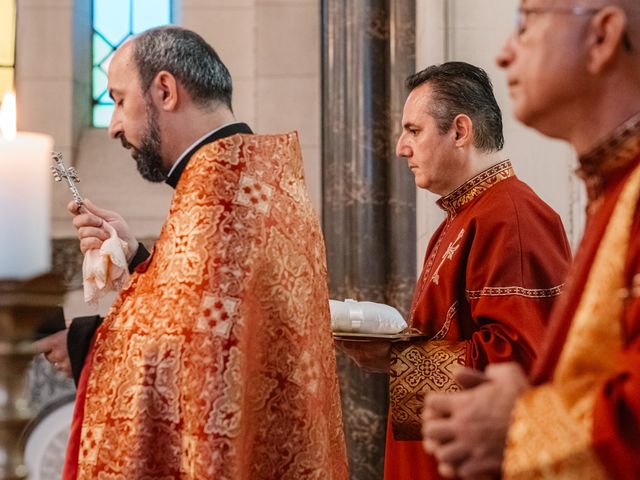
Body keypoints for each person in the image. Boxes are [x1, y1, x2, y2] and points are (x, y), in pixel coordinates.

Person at [35, 26, 348, 479]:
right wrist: (140, 258)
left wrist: (82, 342)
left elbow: (193, 355)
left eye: (120, 101)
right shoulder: (257, 175)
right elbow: (212, 319)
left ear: (164, 89)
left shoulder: (219, 190)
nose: (113, 127)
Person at [421, 2, 640, 479]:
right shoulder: (613, 188)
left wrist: (521, 428)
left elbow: (521, 353)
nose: (504, 53)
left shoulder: (515, 210)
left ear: (602, 36)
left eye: (527, 23)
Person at [337, 61, 572, 480]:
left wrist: (397, 359)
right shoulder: (464, 214)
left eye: (413, 130)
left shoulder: (513, 216)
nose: (400, 147)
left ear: (460, 131)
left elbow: (519, 365)